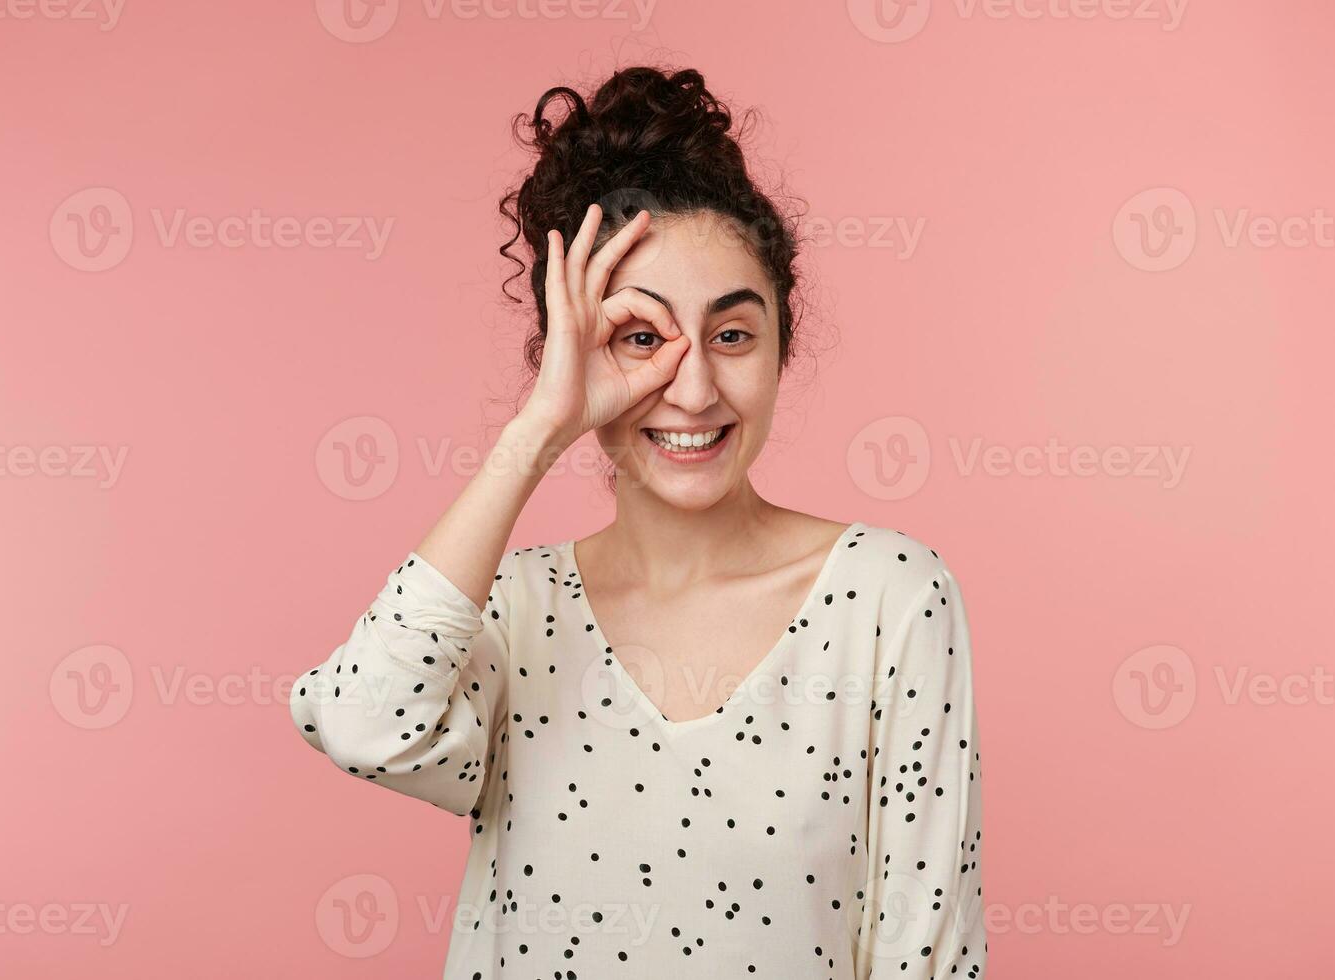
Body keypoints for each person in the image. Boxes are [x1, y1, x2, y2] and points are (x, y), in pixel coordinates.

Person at [290, 65, 986, 979]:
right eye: (641, 338)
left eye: (733, 335)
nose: (693, 390)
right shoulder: (509, 609)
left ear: (784, 345)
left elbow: (928, 956)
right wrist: (537, 431)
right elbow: (362, 723)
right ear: (572, 356)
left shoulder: (888, 601)